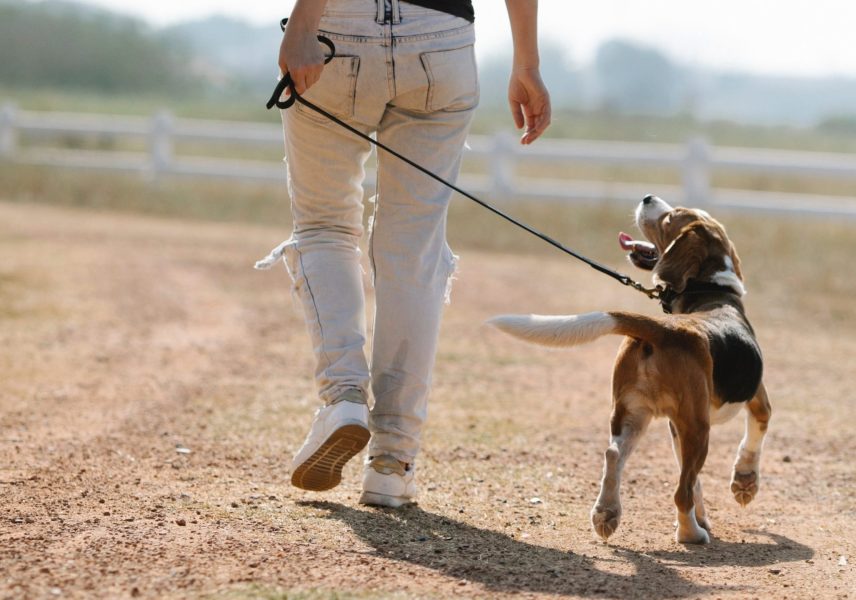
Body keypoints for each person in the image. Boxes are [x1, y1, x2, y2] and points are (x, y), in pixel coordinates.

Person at [256, 0, 551, 507]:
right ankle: (393, 460)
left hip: (338, 32)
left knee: (326, 226)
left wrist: (303, 25)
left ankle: (344, 398)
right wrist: (527, 62)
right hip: (442, 41)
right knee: (413, 248)